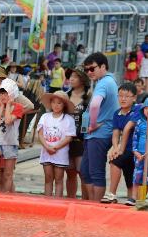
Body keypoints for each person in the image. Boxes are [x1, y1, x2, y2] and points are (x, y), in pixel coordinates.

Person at [81, 52, 119, 201]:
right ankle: (93, 203)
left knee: (94, 172)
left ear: (103, 66)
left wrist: (93, 124)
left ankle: (95, 205)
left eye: (92, 68)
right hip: (95, 134)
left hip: (99, 134)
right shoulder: (106, 82)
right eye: (87, 70)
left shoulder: (104, 82)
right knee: (86, 171)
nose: (89, 72)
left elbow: (95, 104)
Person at [102, 82, 139, 205]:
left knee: (131, 178)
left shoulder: (138, 109)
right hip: (125, 150)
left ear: (134, 98)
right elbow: (116, 134)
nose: (123, 99)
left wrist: (119, 150)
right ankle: (112, 195)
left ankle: (132, 200)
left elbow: (128, 129)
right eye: (120, 95)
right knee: (115, 161)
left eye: (127, 96)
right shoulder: (116, 113)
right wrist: (115, 148)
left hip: (137, 150)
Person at [37, 90, 77, 197]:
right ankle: (47, 201)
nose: (56, 105)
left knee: (59, 179)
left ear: (64, 105)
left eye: (59, 103)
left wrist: (55, 147)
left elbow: (69, 137)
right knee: (48, 178)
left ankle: (58, 202)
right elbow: (40, 134)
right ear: (50, 103)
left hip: (60, 153)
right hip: (46, 152)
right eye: (54, 102)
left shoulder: (68, 119)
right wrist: (47, 146)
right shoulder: (45, 117)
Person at [66, 69, 91, 198]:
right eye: (70, 76)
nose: (71, 79)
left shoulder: (89, 97)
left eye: (75, 77)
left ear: (82, 80)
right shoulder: (65, 95)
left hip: (82, 141)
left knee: (82, 172)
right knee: (70, 173)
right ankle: (70, 201)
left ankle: (84, 202)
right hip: (66, 141)